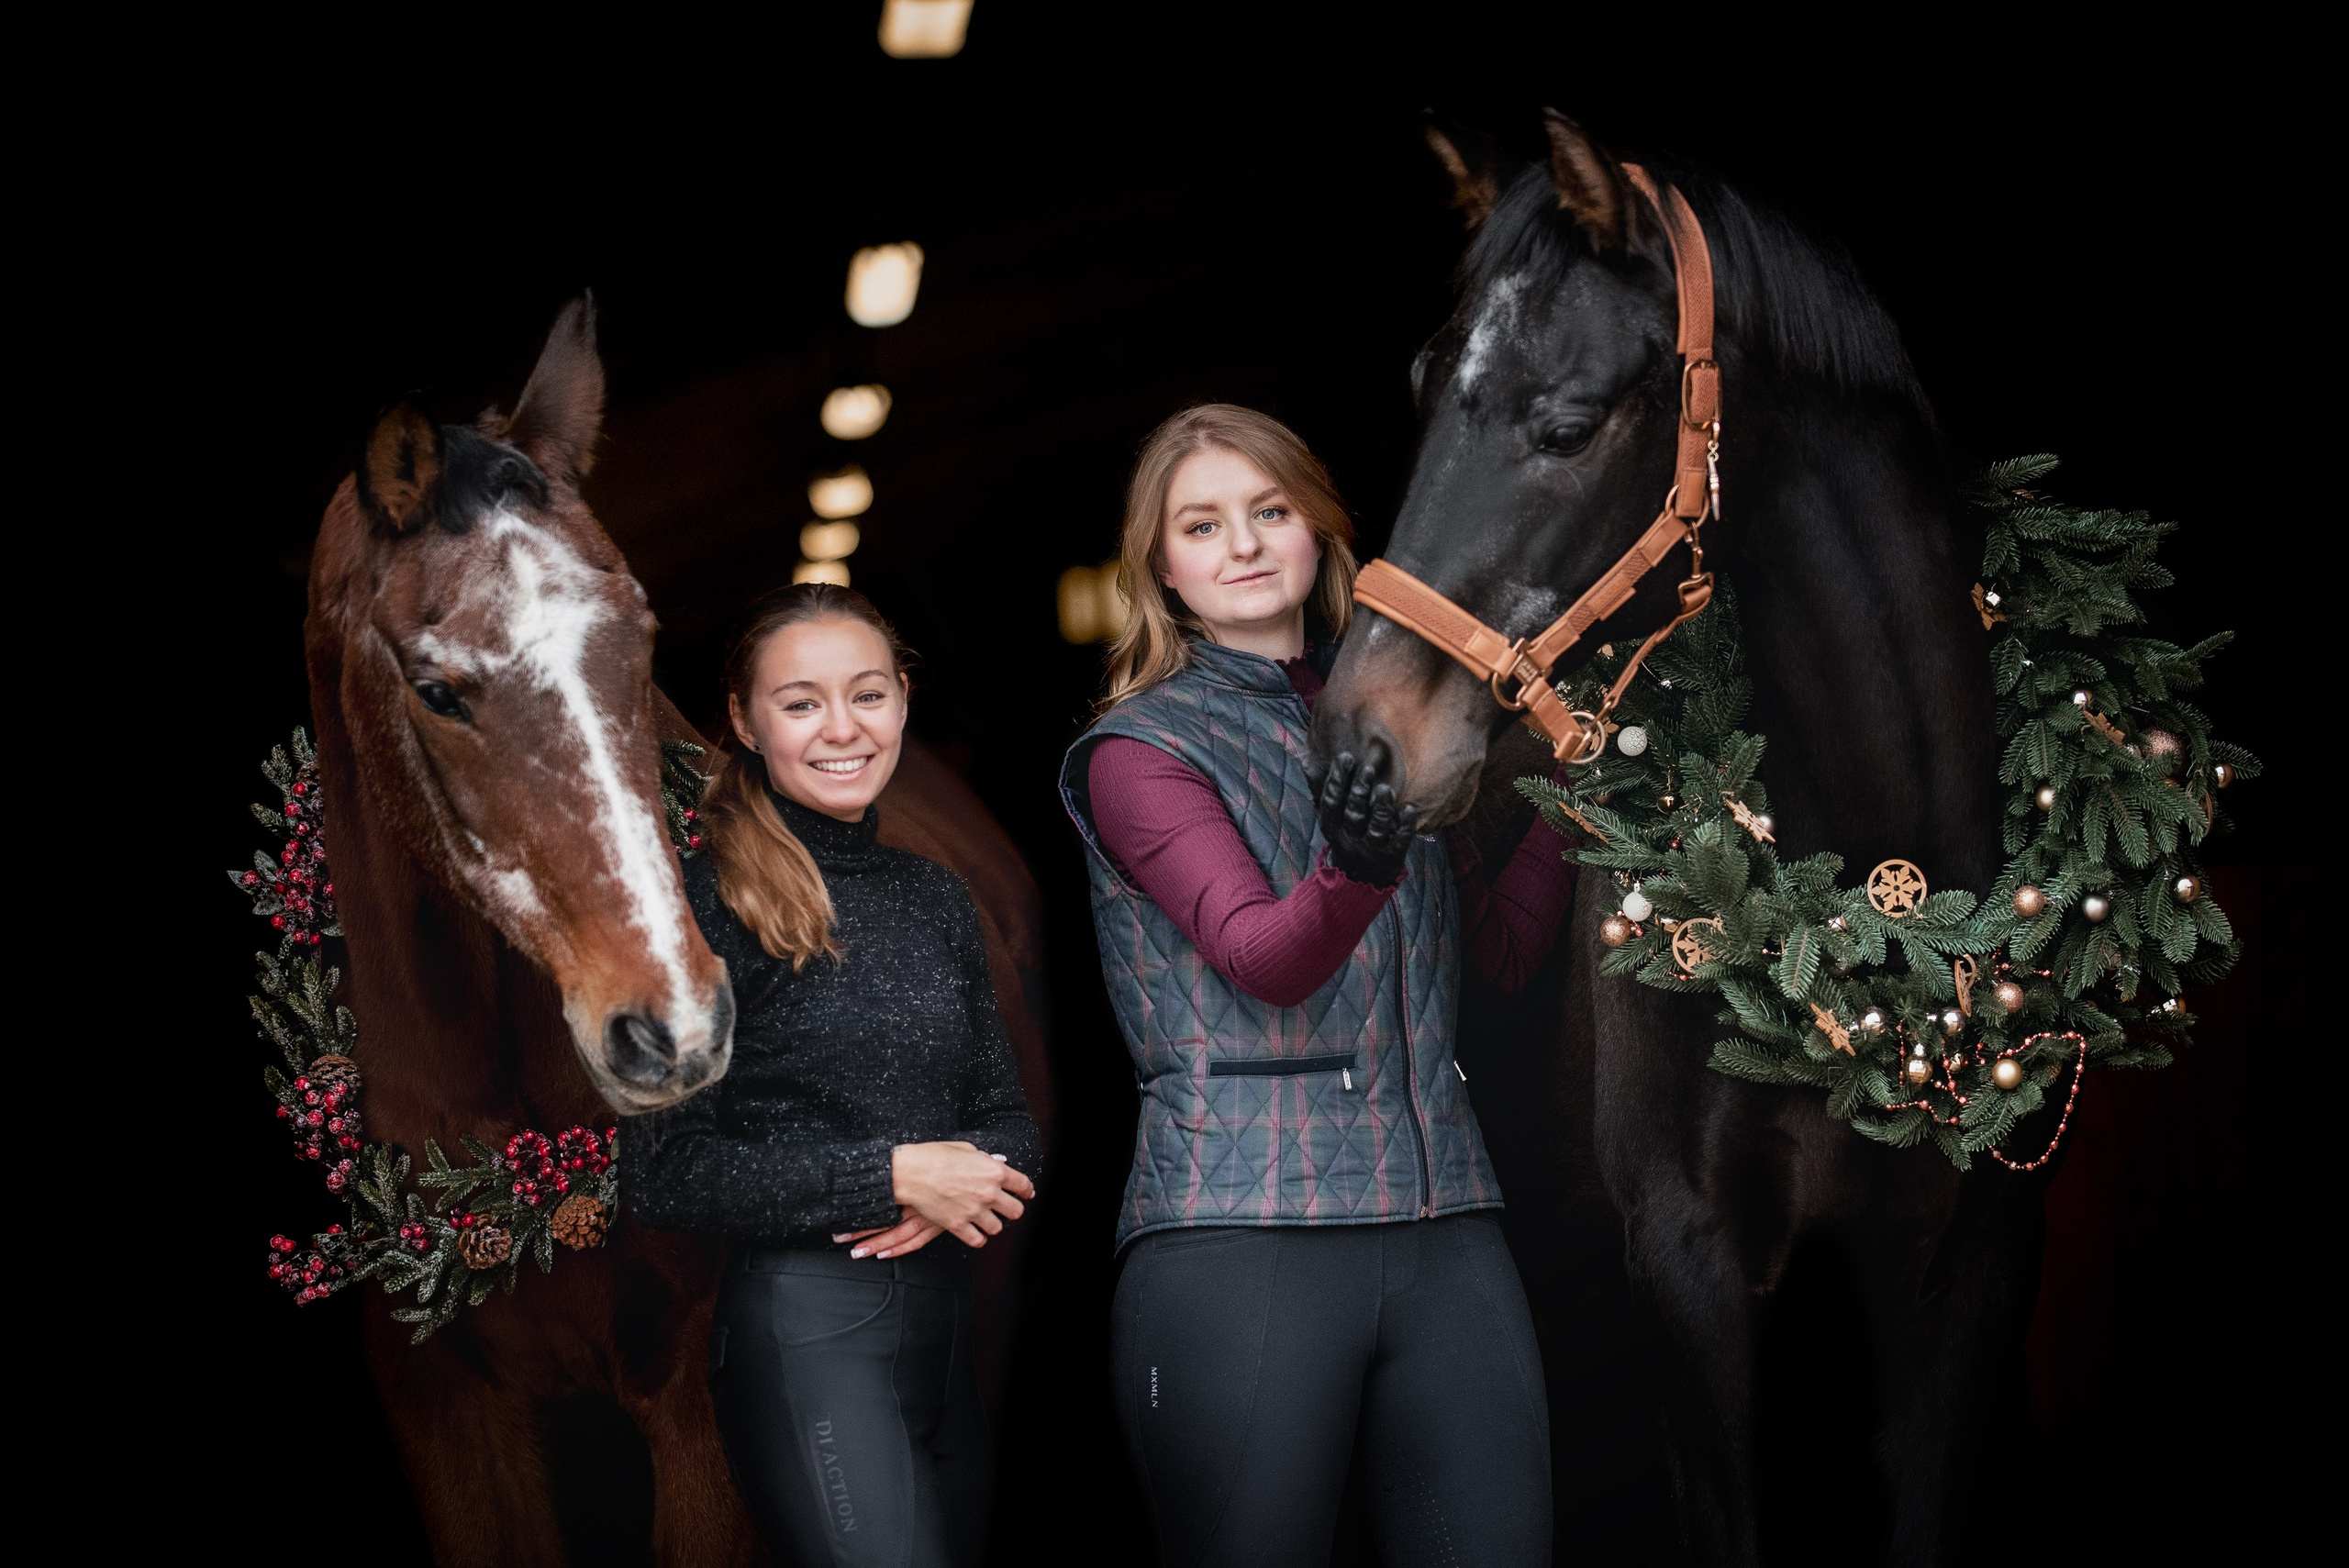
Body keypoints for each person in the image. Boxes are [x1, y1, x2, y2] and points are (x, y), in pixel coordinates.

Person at [1058, 405, 1576, 1566]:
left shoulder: (1397, 720)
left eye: (1269, 511)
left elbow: (1488, 963)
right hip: (1242, 1237)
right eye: (1203, 524)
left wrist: (1576, 794)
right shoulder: (1141, 752)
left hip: (1447, 1222)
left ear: (1319, 530)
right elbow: (1265, 960)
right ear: (1162, 564)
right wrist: (1362, 863)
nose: (1241, 544)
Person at [630, 583, 1039, 1568]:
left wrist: (967, 1177)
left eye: (866, 694)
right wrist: (890, 1178)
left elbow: (1007, 1118)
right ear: (744, 719)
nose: (841, 728)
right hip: (806, 1338)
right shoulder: (702, 903)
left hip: (945, 1348)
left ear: (903, 698)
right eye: (801, 701)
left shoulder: (934, 896)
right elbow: (664, 1169)